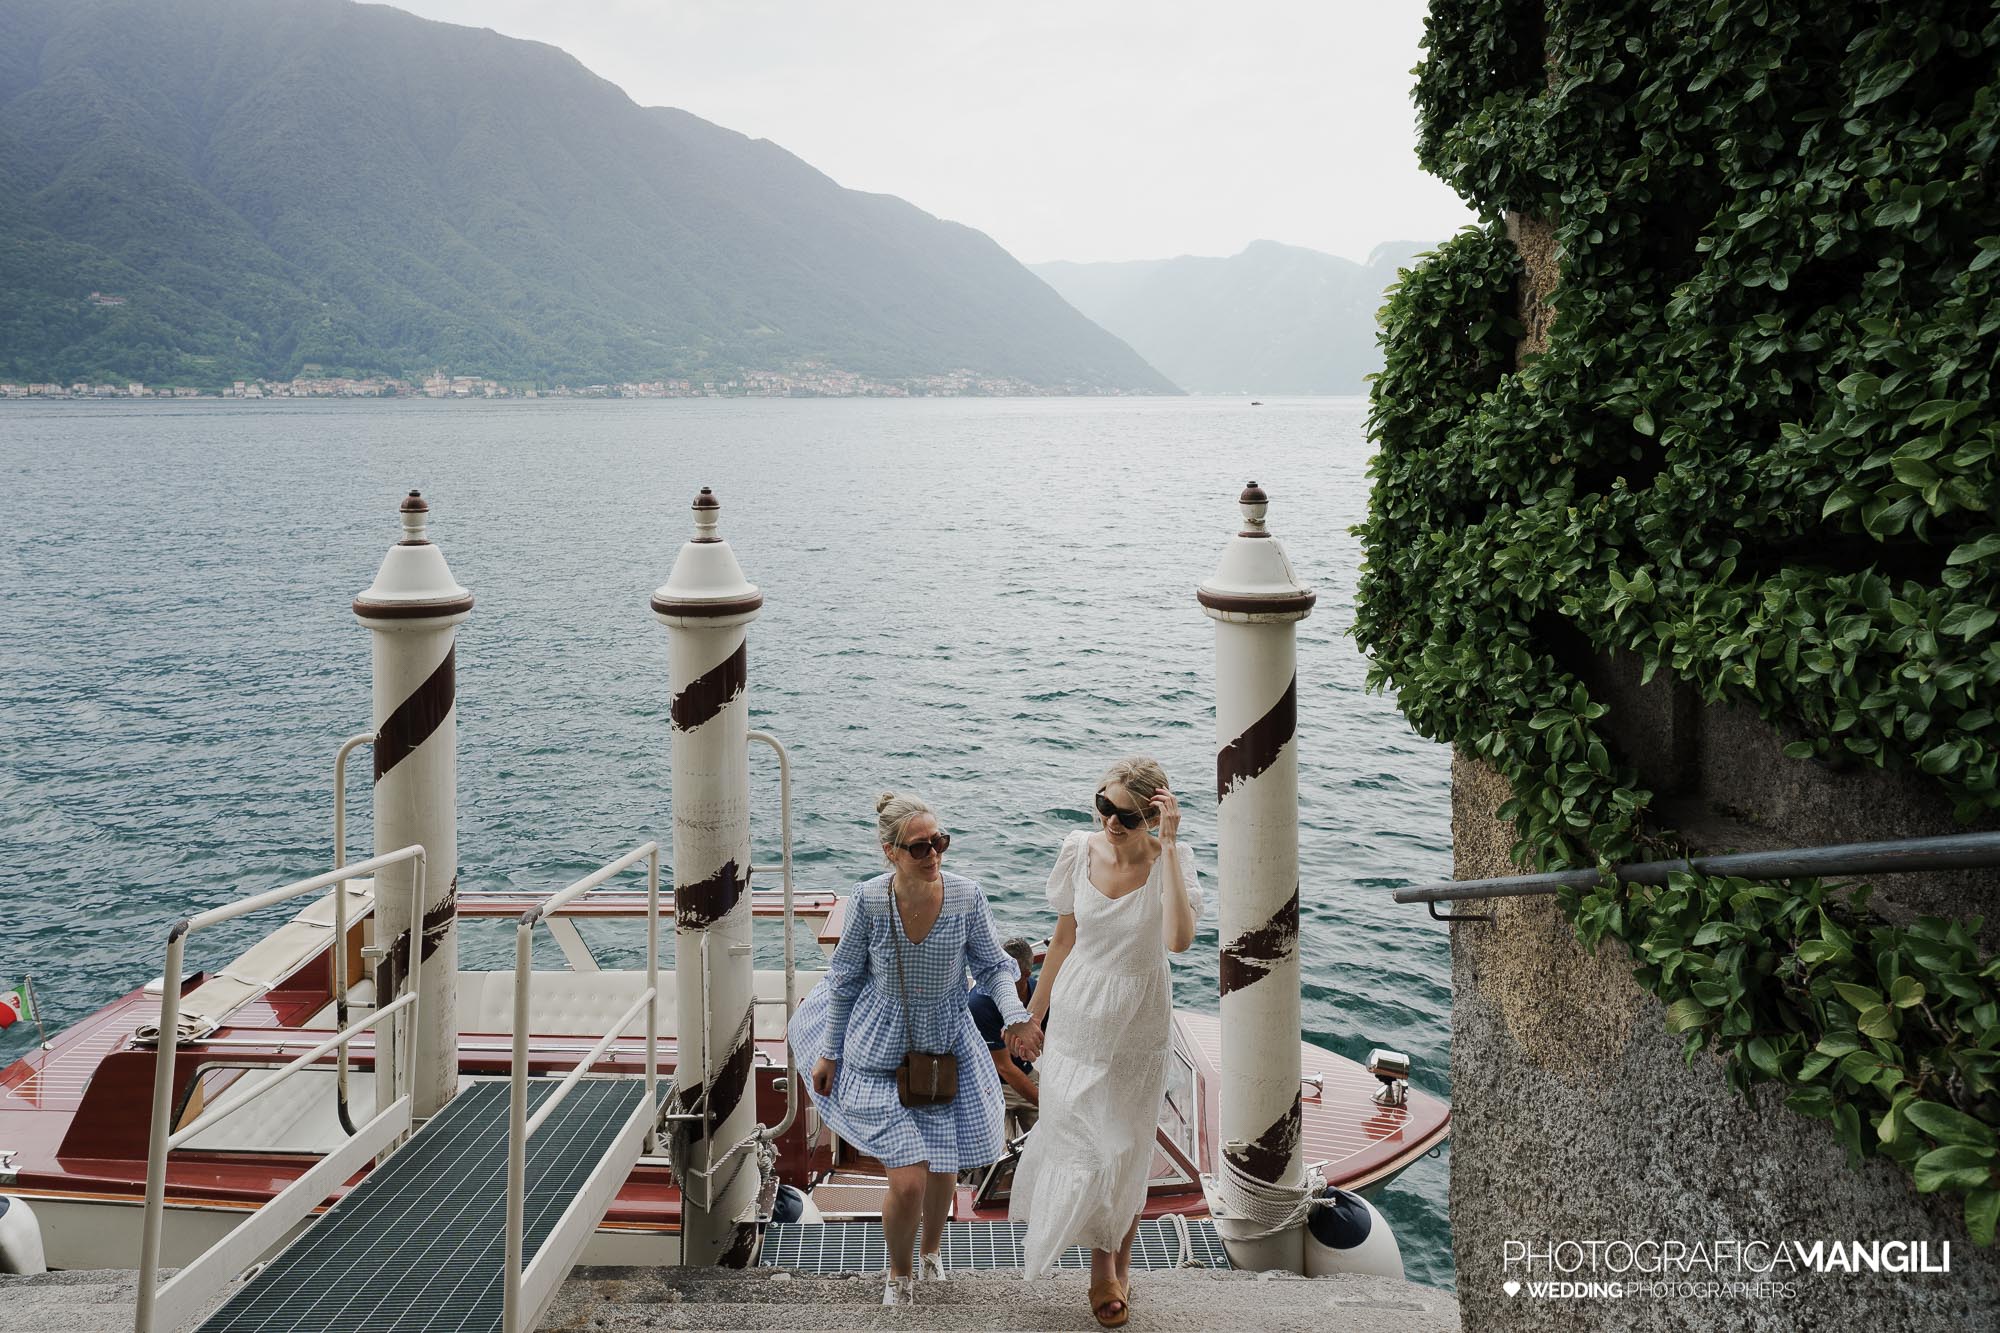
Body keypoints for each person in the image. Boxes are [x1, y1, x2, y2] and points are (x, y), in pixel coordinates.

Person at [788, 791, 1042, 1306]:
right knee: (908, 1181)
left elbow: (994, 967)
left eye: (939, 842)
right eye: (919, 847)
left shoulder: (966, 896)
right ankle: (898, 1275)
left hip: (945, 1046)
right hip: (878, 1049)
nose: (933, 855)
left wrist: (1014, 1015)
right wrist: (830, 1052)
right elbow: (844, 980)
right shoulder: (868, 900)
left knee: (944, 1165)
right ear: (890, 852)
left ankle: (930, 1252)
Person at [1010, 757, 1201, 1329]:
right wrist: (1032, 1017)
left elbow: (1178, 940)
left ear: (1153, 817)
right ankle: (1105, 1266)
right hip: (1079, 1013)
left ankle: (1114, 1268)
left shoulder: (1171, 860)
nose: (1112, 822)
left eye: (1128, 815)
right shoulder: (1079, 850)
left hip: (1140, 1020)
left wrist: (1169, 848)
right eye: (1104, 807)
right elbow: (1063, 940)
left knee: (1127, 1146)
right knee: (1086, 1141)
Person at [969, 937, 1040, 1136]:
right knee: (1001, 1152)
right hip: (990, 1084)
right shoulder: (979, 1004)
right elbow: (1004, 1067)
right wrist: (1045, 1103)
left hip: (1025, 1073)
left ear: (1026, 975)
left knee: (1059, 1134)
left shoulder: (1037, 994)